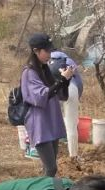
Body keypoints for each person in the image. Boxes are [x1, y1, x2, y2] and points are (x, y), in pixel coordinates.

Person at [21, 33, 73, 177]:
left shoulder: (45, 69)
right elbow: (42, 95)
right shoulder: (29, 72)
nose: (50, 55)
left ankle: (45, 189)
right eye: (47, 51)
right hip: (40, 123)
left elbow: (59, 94)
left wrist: (66, 80)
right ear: (36, 51)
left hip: (51, 121)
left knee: (49, 168)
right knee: (51, 168)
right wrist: (61, 80)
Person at [51, 49, 83, 158]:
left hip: (53, 89)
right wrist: (76, 98)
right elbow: (79, 84)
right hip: (71, 88)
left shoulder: (46, 60)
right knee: (71, 126)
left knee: (52, 123)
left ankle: (51, 155)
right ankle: (73, 156)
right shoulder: (69, 61)